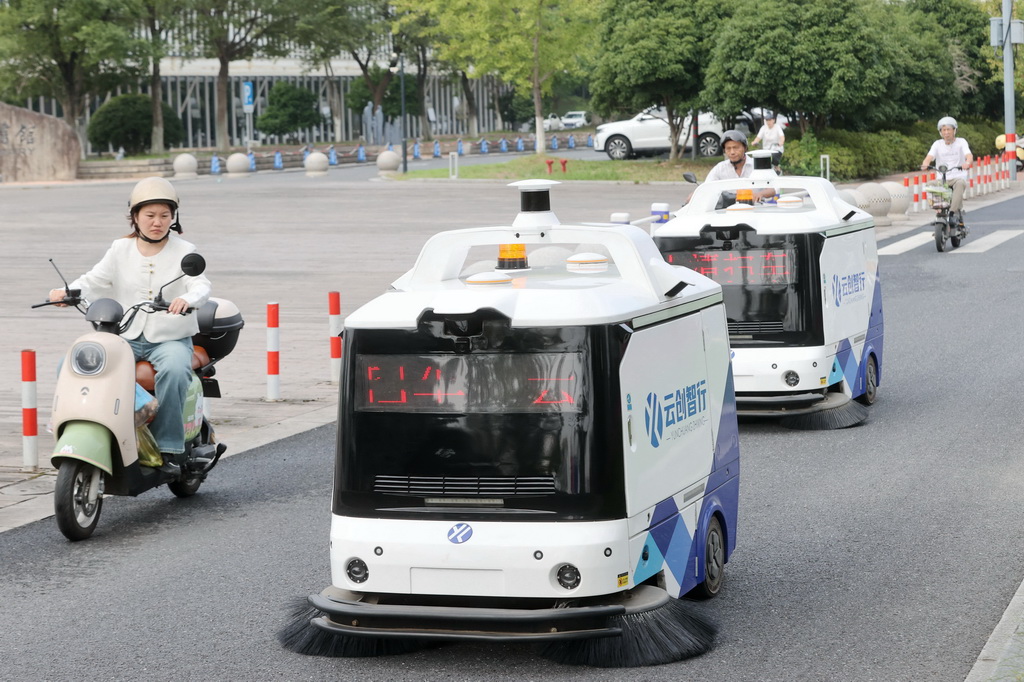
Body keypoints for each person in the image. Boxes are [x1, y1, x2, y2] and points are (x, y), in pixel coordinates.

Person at [48, 177, 211, 476]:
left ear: (174, 218)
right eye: (150, 215)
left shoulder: (185, 249)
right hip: (126, 336)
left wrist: (187, 299)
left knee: (175, 370)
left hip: (169, 338)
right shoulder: (119, 249)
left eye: (165, 215)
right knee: (69, 365)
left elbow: (201, 285)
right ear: (135, 217)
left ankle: (169, 447)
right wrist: (68, 292)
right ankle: (96, 426)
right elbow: (94, 280)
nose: (157, 222)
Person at [921, 116, 973, 226]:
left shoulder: (961, 142)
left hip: (957, 176)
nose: (946, 133)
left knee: (960, 184)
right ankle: (939, 212)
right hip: (942, 178)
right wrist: (925, 164)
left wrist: (967, 163)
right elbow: (929, 156)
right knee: (930, 185)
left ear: (954, 130)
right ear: (940, 132)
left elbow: (968, 155)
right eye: (943, 130)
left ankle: (952, 213)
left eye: (949, 129)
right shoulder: (937, 144)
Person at [702, 130, 774, 203]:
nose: (732, 152)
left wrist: (760, 194)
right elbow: (706, 187)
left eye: (736, 147)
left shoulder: (757, 165)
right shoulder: (720, 168)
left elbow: (773, 189)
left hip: (757, 209)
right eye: (728, 148)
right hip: (728, 211)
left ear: (745, 148)